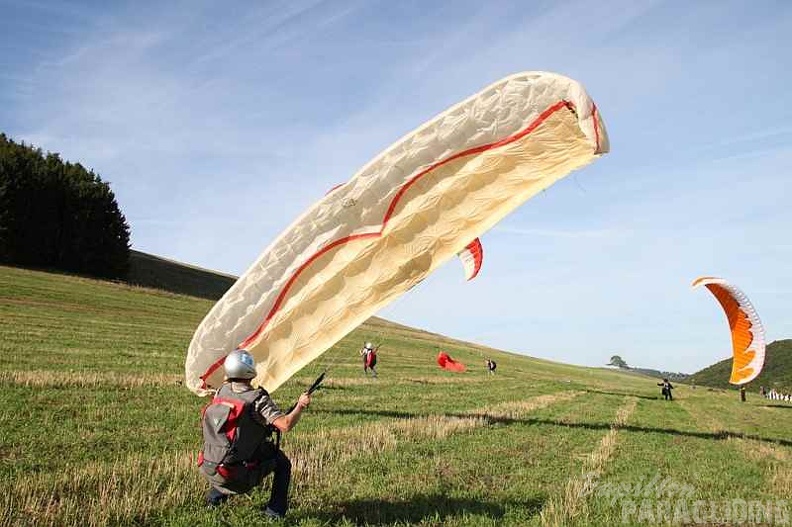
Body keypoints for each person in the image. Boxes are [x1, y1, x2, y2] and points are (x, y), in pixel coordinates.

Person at [198, 349, 311, 519]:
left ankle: (214, 501)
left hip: (209, 465)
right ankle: (274, 514)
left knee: (228, 453)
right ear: (250, 371)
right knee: (282, 463)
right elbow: (285, 425)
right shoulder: (257, 399)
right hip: (236, 473)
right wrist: (300, 405)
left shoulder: (221, 391)